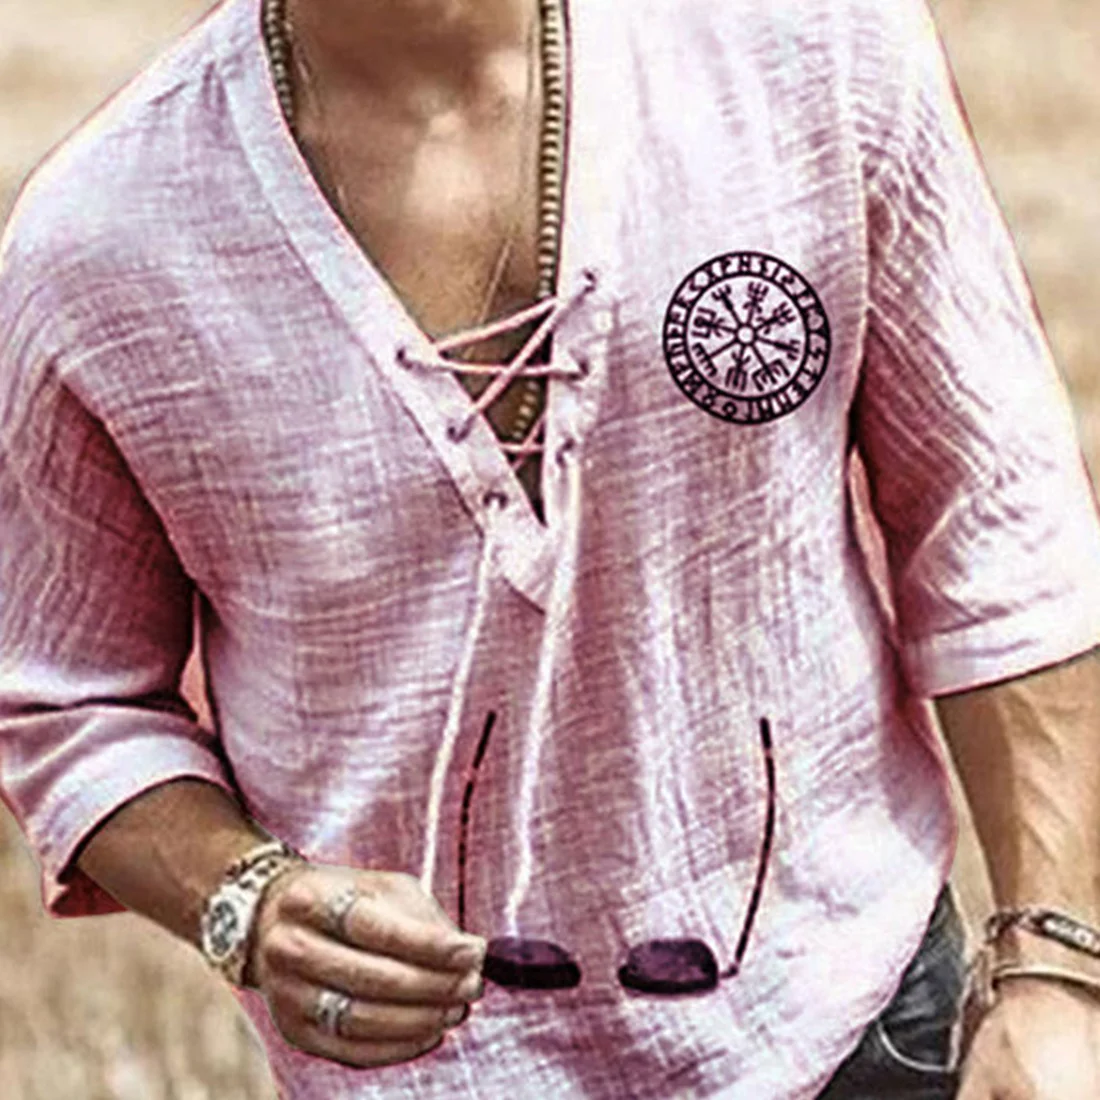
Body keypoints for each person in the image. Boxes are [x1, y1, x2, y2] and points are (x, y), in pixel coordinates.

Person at [1, 0, 1099, 1095]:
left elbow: (993, 513)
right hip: (429, 1079)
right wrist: (247, 895)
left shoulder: (813, 44)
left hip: (854, 1017)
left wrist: (1051, 967)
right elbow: (66, 702)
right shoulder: (93, 246)